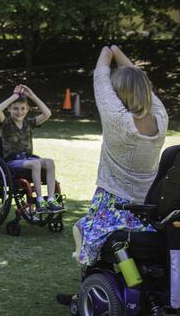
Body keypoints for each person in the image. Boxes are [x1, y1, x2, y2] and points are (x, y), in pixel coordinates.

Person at [72, 45, 168, 266]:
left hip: (114, 204)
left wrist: (108, 51)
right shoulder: (161, 117)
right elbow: (139, 81)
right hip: (148, 206)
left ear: (119, 94)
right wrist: (119, 52)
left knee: (84, 229)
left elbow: (100, 78)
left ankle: (91, 284)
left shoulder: (117, 120)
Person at [0, 84, 64, 213]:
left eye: (22, 108)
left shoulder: (29, 123)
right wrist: (15, 96)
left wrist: (32, 96)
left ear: (27, 110)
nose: (19, 112)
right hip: (12, 161)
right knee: (36, 163)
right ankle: (39, 200)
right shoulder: (6, 123)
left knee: (49, 162)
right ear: (9, 108)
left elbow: (47, 113)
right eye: (15, 108)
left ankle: (50, 199)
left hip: (28, 158)